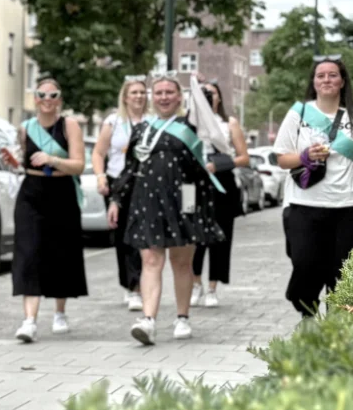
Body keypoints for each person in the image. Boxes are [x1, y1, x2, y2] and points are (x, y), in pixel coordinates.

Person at [107, 75, 225, 345]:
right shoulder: (141, 129)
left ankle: (182, 317)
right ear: (153, 97)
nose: (163, 97)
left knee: (181, 262)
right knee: (150, 261)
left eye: (169, 92)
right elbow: (130, 169)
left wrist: (193, 211)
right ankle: (148, 320)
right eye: (158, 92)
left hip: (185, 200)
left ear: (179, 96)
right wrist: (116, 200)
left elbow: (206, 162)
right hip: (146, 201)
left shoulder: (191, 127)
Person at [274, 56, 353, 317]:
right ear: (313, 82)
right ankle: (307, 312)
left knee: (344, 273)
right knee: (304, 265)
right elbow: (282, 158)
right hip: (305, 204)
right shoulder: (299, 113)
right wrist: (305, 156)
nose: (327, 80)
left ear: (342, 81)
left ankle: (337, 325)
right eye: (321, 75)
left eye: (333, 75)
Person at [12, 78, 87, 342]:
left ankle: (60, 311)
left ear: (59, 100)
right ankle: (29, 321)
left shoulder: (69, 125)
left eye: (53, 95)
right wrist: (12, 161)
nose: (47, 99)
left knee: (60, 252)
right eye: (42, 94)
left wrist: (53, 159)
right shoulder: (25, 129)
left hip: (62, 192)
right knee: (28, 252)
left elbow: (79, 165)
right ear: (35, 99)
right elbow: (22, 162)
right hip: (31, 193)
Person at [190, 81, 250, 308]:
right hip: (193, 186)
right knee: (193, 238)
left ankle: (213, 287)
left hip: (222, 183)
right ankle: (195, 283)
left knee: (220, 237)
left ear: (219, 97)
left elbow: (244, 157)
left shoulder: (228, 123)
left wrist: (219, 164)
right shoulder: (190, 124)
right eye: (204, 93)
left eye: (212, 93)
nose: (208, 97)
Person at [92, 76, 148, 312]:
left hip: (143, 183)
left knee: (139, 236)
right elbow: (98, 153)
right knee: (123, 237)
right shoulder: (113, 122)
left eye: (142, 92)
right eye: (134, 92)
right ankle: (129, 284)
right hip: (118, 182)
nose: (139, 96)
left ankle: (137, 287)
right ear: (125, 97)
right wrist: (100, 177)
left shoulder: (152, 122)